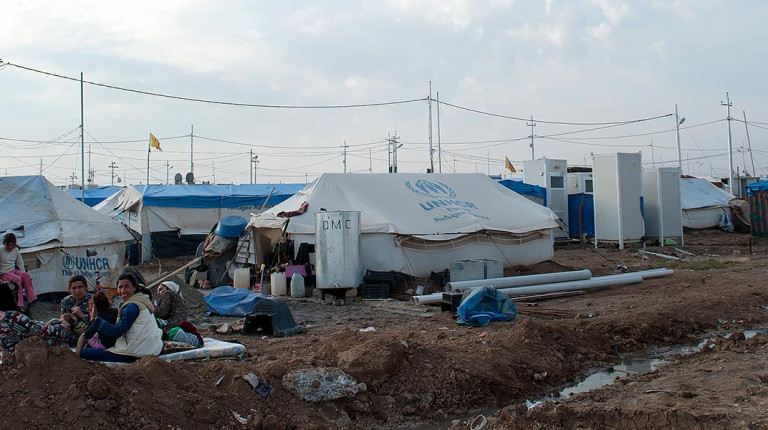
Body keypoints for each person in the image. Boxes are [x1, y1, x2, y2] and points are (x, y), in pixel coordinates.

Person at [79, 272, 163, 363]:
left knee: (84, 353)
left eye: (126, 286)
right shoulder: (142, 302)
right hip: (154, 350)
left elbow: (117, 332)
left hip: (135, 354)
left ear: (134, 288)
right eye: (120, 287)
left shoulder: (132, 306)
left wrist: (96, 319)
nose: (122, 290)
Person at [0, 283, 70, 354]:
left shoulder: (4, 315)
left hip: (9, 351)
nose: (18, 297)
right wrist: (62, 327)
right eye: (15, 295)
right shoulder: (11, 316)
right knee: (58, 327)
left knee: (54, 323)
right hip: (23, 353)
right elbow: (38, 330)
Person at [0, 233, 36, 309]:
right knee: (18, 279)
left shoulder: (15, 250)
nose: (10, 247)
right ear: (4, 244)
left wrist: (23, 273)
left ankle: (31, 297)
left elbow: (20, 262)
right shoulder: (1, 250)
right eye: (8, 245)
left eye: (12, 245)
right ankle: (20, 303)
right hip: (4, 273)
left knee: (26, 275)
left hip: (13, 270)